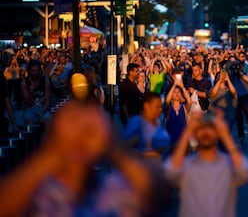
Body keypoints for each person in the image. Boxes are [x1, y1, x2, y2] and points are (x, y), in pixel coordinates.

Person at [0, 98, 166, 217]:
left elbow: (158, 189)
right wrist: (54, 151)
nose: (82, 135)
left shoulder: (114, 187)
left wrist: (113, 149)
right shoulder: (39, 192)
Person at [164, 111, 248, 217]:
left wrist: (225, 135)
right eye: (201, 129)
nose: (206, 132)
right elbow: (169, 171)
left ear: (218, 133)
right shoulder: (187, 165)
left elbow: (245, 172)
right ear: (195, 134)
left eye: (210, 128)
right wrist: (187, 132)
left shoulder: (228, 164)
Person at [122, 92, 171, 160]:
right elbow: (126, 149)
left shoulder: (158, 123)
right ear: (146, 106)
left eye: (161, 106)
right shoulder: (137, 123)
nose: (160, 110)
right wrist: (152, 154)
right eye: (157, 107)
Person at [20, 59, 51, 125]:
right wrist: (31, 93)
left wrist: (41, 113)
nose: (34, 73)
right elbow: (27, 104)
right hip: (30, 110)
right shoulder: (24, 82)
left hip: (43, 109)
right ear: (29, 71)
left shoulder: (45, 80)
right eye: (32, 71)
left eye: (36, 71)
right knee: (30, 125)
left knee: (48, 124)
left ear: (40, 70)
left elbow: (47, 101)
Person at [164, 75, 192, 149]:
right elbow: (167, 101)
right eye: (174, 92)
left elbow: (189, 102)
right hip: (170, 142)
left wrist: (182, 87)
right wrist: (174, 85)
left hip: (183, 142)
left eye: (178, 92)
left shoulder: (184, 108)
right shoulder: (168, 108)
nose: (176, 94)